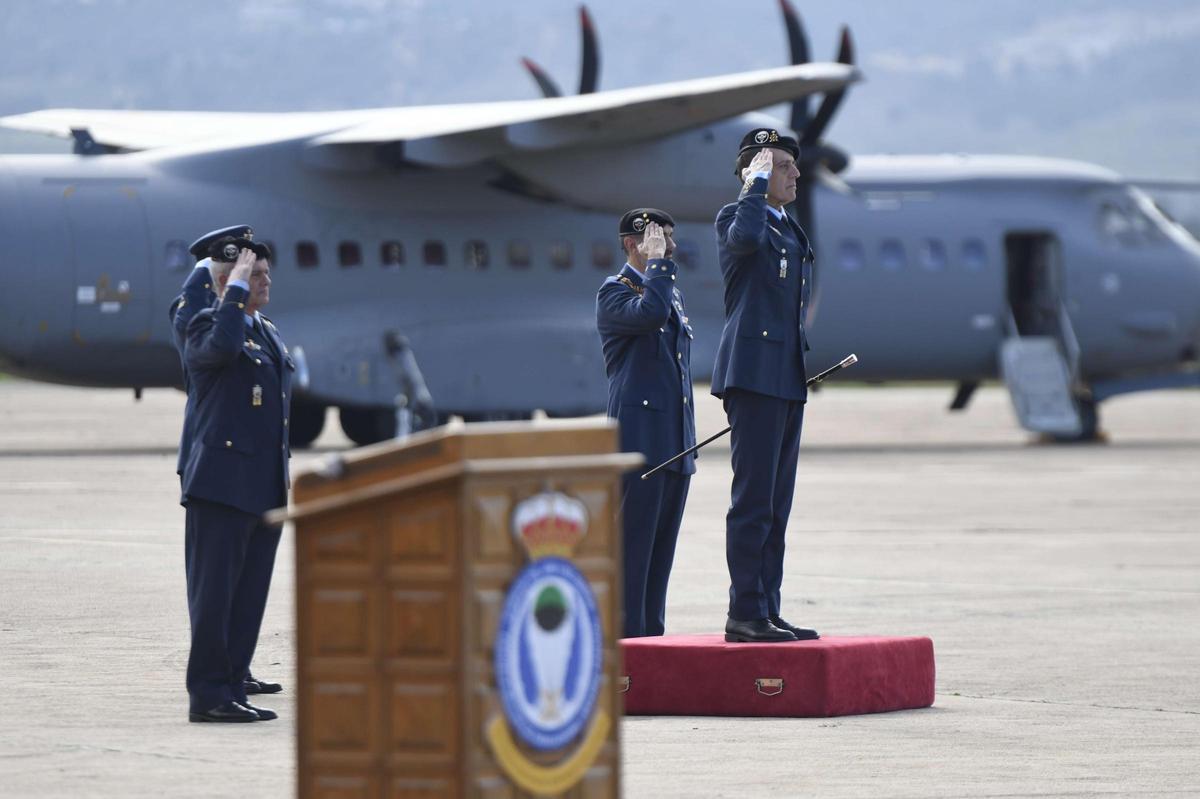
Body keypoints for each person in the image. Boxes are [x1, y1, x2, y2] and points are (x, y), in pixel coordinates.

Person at [711, 128, 820, 643]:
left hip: (785, 377)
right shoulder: (739, 217)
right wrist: (754, 186)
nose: (795, 173)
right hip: (753, 374)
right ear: (753, 172)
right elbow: (745, 242)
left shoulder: (788, 228)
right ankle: (745, 614)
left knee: (778, 503)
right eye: (782, 166)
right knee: (752, 501)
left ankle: (768, 608)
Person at [168, 225, 284, 698]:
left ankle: (235, 674)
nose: (263, 280)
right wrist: (231, 286)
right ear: (224, 282)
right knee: (215, 594)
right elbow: (219, 347)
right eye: (252, 274)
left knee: (249, 591)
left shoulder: (264, 330)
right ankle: (212, 692)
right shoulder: (204, 325)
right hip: (221, 481)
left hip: (262, 481)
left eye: (263, 273)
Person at [596, 208, 696, 638]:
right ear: (630, 244)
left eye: (670, 239)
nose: (669, 248)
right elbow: (649, 316)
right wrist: (656, 266)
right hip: (639, 442)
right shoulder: (615, 294)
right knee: (633, 553)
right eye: (659, 239)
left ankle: (651, 644)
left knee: (660, 555)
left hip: (672, 442)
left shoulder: (666, 293)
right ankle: (627, 649)